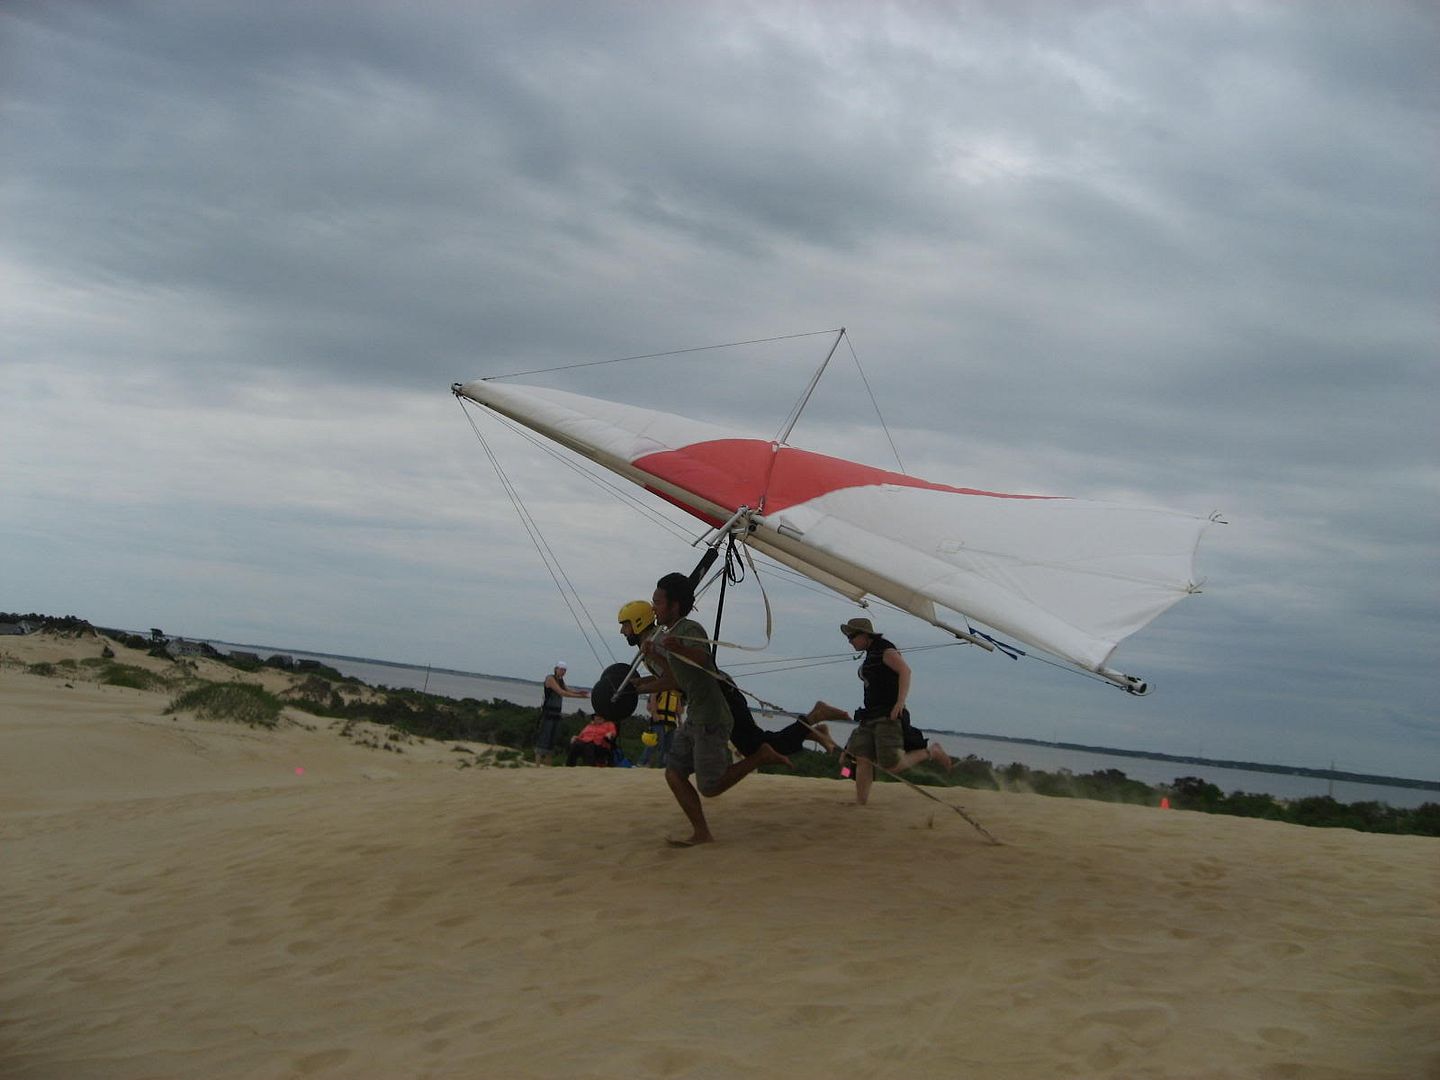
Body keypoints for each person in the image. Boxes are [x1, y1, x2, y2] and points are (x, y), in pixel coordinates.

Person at [635, 573, 790, 846]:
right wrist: (653, 660)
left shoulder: (689, 629)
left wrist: (679, 647)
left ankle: (760, 756)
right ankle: (702, 833)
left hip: (712, 717)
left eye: (657, 602)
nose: (653, 608)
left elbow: (704, 659)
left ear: (674, 605)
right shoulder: (669, 635)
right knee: (673, 773)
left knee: (710, 786)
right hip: (695, 716)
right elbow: (675, 678)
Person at [619, 598, 846, 759]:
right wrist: (640, 683)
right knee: (754, 744)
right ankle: (810, 730)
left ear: (638, 622)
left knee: (755, 747)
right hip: (714, 696)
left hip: (720, 695)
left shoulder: (656, 643)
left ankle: (815, 716)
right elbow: (669, 674)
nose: (623, 631)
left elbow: (676, 679)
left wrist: (636, 690)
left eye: (625, 625)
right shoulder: (650, 645)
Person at [838, 616, 953, 805]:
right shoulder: (871, 654)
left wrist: (900, 702)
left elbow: (905, 671)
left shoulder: (885, 650)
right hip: (870, 716)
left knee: (890, 765)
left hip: (887, 715)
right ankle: (860, 802)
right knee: (859, 759)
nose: (850, 641)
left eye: (852, 637)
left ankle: (931, 752)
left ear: (865, 635)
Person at [535, 661, 587, 765]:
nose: (563, 672)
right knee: (544, 739)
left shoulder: (561, 680)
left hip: (556, 714)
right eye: (561, 669)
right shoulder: (550, 678)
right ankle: (537, 765)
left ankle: (548, 765)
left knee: (551, 741)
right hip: (548, 713)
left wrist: (579, 692)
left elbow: (568, 689)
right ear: (556, 669)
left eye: (565, 670)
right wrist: (579, 697)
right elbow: (561, 692)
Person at [637, 689, 681, 768]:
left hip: (671, 722)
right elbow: (652, 700)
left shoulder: (676, 692)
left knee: (669, 746)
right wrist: (654, 713)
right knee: (654, 743)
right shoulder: (660, 688)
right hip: (659, 720)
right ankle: (643, 763)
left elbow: (678, 706)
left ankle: (664, 766)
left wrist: (680, 720)